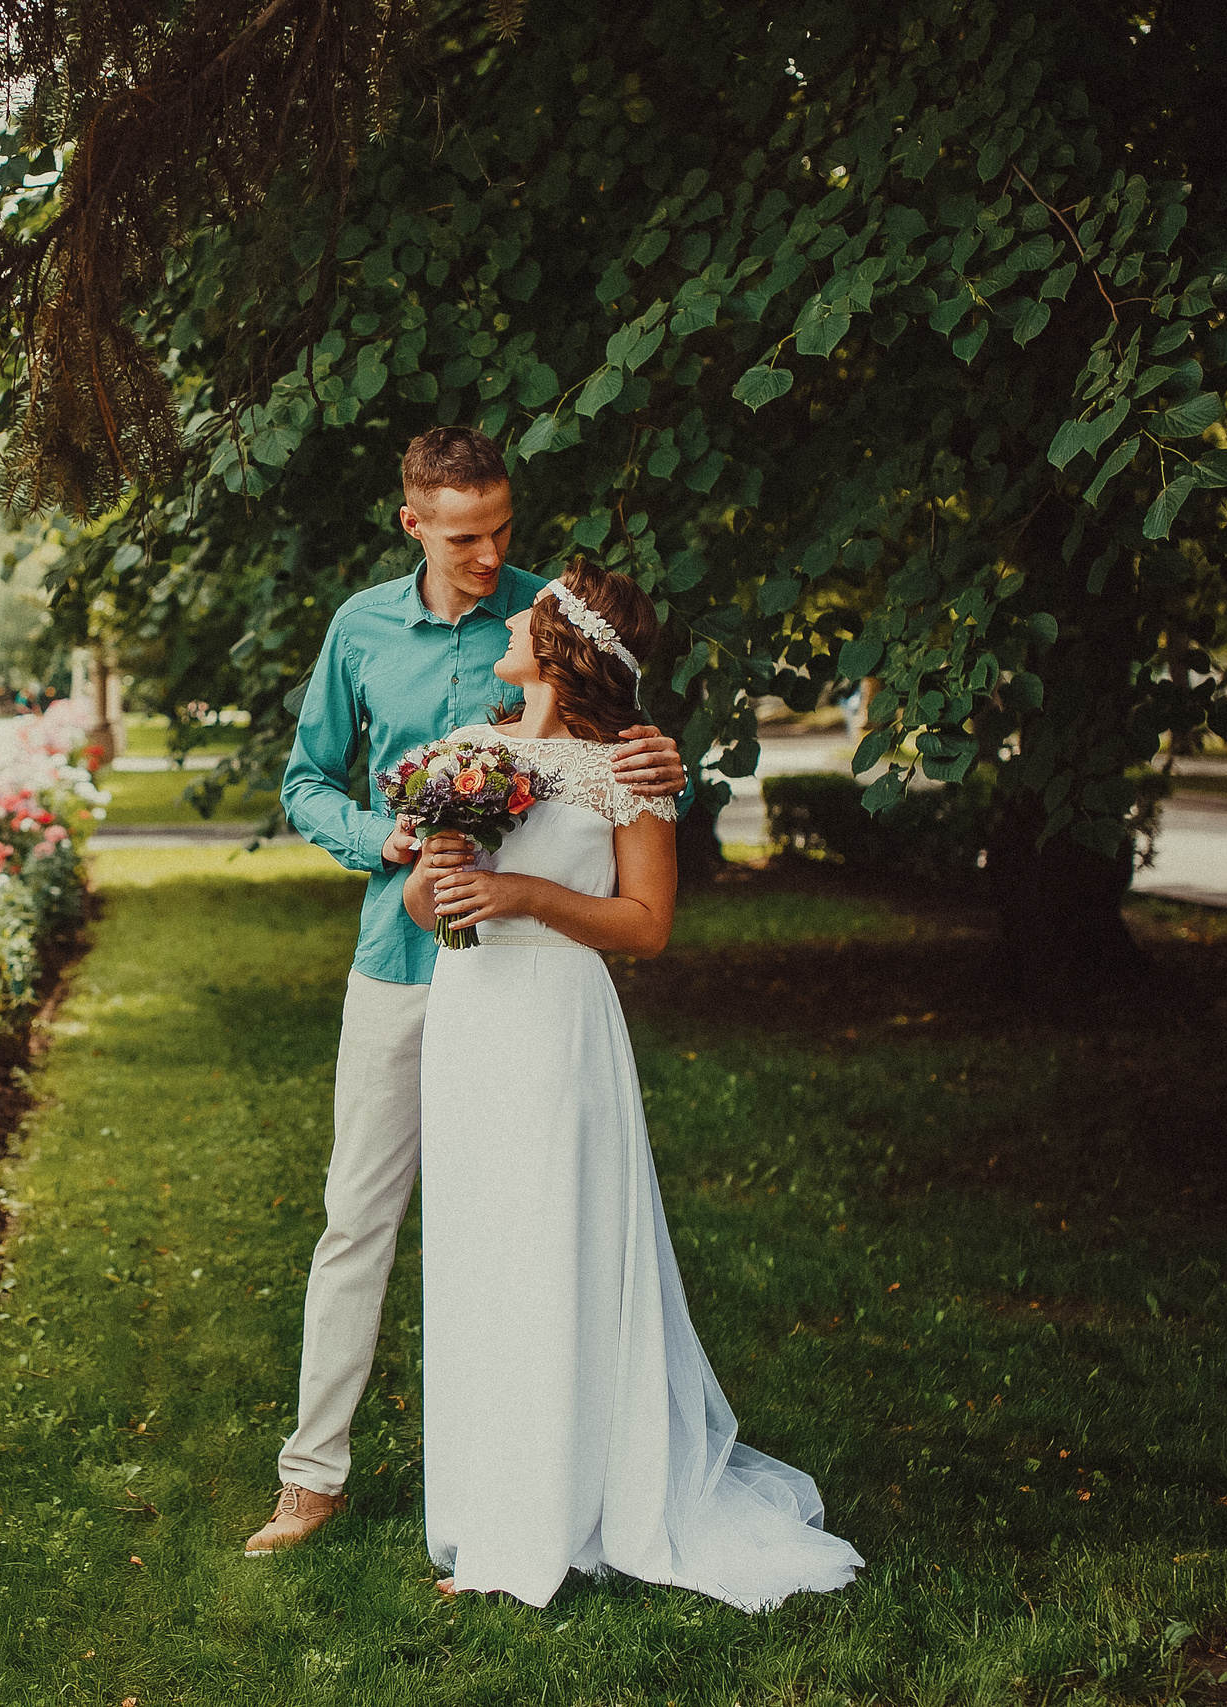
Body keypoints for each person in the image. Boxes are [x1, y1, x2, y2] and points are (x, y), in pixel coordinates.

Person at [248, 427, 689, 1555]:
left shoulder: (552, 623)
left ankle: (545, 1471)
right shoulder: (359, 627)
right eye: (463, 536)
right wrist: (379, 837)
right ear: (413, 526)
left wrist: (661, 764)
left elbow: (614, 754)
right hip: (403, 962)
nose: (490, 555)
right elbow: (306, 779)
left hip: (529, 992)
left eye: (501, 529)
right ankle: (312, 1478)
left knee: (522, 1225)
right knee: (359, 1215)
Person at [401, 557, 864, 1609]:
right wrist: (440, 887)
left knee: (555, 1246)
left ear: (564, 645)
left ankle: (559, 1513)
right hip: (469, 1022)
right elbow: (431, 910)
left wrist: (522, 893)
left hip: (560, 1022)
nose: (511, 617)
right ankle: (491, 1506)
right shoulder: (465, 755)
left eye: (532, 611)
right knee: (481, 1250)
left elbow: (645, 927)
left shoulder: (630, 769)